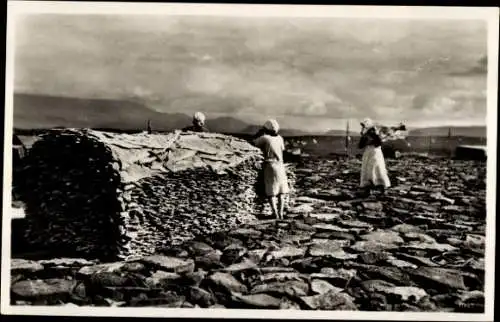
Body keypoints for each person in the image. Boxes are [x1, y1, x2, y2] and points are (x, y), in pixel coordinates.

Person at [254, 119, 290, 220]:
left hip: (270, 165)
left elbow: (253, 143)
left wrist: (259, 133)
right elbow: (282, 149)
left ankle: (275, 213)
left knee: (271, 191)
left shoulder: (264, 138)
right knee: (281, 191)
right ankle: (281, 213)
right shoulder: (280, 138)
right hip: (280, 166)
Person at [358, 118, 391, 197]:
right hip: (373, 153)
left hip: (372, 153)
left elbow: (361, 145)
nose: (363, 127)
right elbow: (362, 145)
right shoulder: (374, 133)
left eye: (364, 126)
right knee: (376, 169)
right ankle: (380, 188)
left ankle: (370, 189)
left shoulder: (371, 134)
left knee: (372, 169)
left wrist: (364, 135)